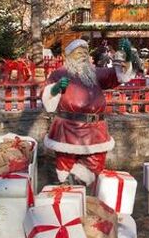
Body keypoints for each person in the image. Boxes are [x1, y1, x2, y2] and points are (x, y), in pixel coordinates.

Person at [42, 38, 135, 184]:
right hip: (67, 131)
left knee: (94, 166)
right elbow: (47, 96)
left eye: (85, 51)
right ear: (69, 55)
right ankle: (68, 197)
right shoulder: (58, 74)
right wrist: (56, 88)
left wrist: (127, 59)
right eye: (78, 52)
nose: (82, 54)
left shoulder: (95, 73)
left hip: (95, 131)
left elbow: (117, 75)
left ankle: (85, 196)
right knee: (65, 168)